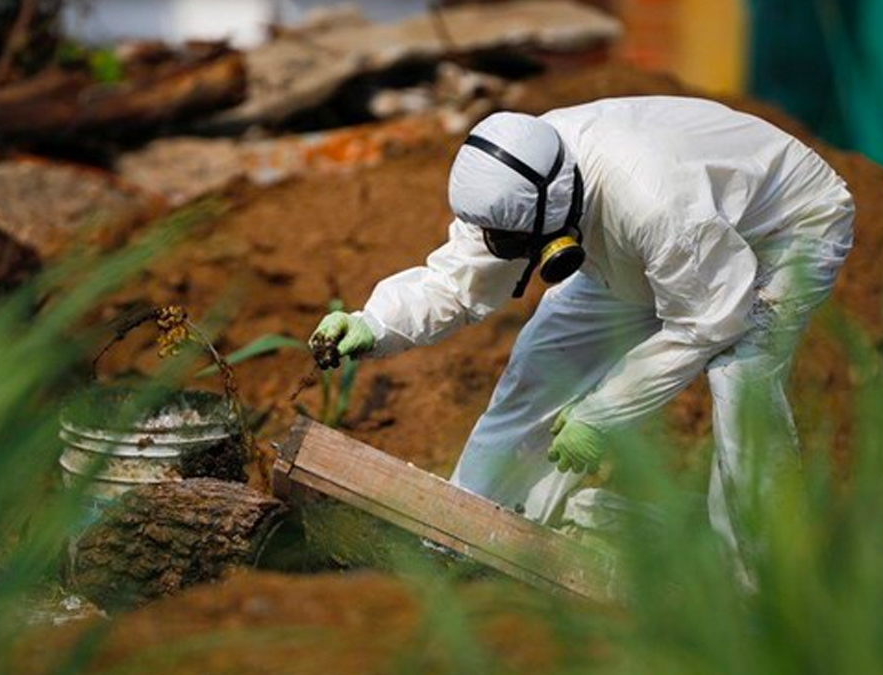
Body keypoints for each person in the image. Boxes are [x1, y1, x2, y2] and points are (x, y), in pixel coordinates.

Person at [309, 97, 854, 555]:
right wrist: (375, 322)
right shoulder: (520, 177)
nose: (502, 252)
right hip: (648, 247)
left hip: (784, 228)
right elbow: (458, 279)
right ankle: (465, 529)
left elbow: (709, 321)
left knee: (741, 375)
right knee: (540, 364)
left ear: (555, 220)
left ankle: (762, 581)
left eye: (517, 246)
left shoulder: (656, 206)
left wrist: (603, 411)